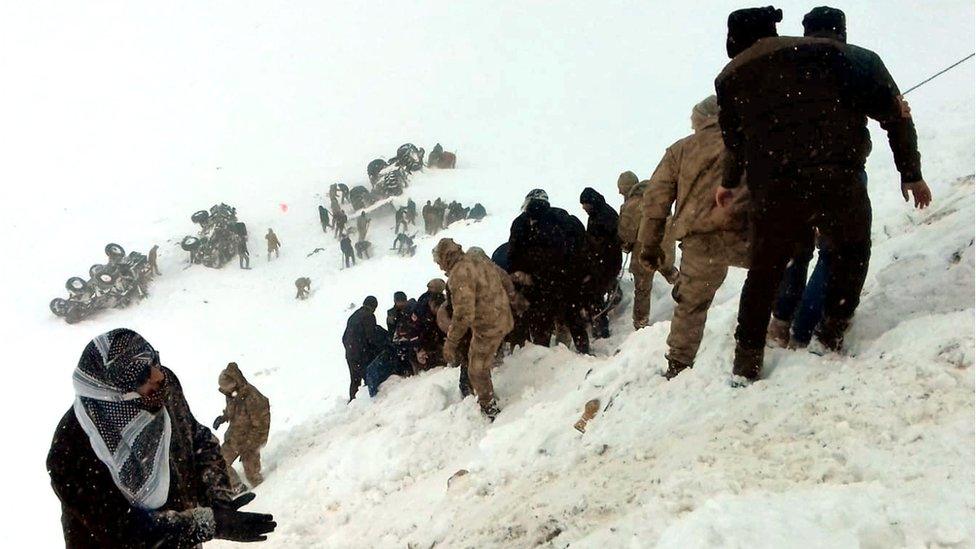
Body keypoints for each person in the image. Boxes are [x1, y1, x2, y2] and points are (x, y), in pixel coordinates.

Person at [714, 6, 930, 383]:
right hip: (837, 174)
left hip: (775, 185)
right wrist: (910, 172)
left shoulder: (731, 77)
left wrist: (730, 183)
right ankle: (828, 333)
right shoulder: (836, 55)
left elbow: (735, 142)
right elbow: (894, 114)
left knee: (765, 269)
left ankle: (747, 360)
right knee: (850, 250)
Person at [48, 329, 276, 546]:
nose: (157, 375)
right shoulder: (70, 451)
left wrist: (217, 497)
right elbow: (124, 533)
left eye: (153, 361)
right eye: (141, 374)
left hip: (181, 540)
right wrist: (209, 524)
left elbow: (197, 439)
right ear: (114, 394)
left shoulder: (161, 387)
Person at [639, 95, 751, 380]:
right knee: (770, 279)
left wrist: (649, 248)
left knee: (692, 305)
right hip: (745, 233)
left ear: (700, 119)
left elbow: (655, 203)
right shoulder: (748, 139)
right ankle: (764, 339)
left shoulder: (680, 151)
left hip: (701, 241)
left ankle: (678, 365)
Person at [433, 239, 515, 420]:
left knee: (476, 369)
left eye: (439, 263)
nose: (440, 268)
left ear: (446, 257)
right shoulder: (478, 259)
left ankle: (489, 408)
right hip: (502, 316)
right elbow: (505, 278)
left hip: (487, 326)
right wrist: (513, 300)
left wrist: (451, 342)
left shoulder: (459, 275)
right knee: (481, 363)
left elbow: (463, 315)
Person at [508, 189, 590, 354]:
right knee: (573, 319)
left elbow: (515, 254)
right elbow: (581, 247)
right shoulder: (564, 219)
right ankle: (584, 352)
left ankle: (542, 358)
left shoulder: (522, 223)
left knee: (541, 323)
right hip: (568, 280)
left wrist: (523, 277)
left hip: (540, 284)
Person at [617, 171, 675, 329]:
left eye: (621, 190)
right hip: (666, 248)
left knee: (642, 289)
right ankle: (691, 294)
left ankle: (640, 325)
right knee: (669, 271)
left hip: (645, 253)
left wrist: (626, 245)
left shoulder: (631, 205)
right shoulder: (658, 196)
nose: (620, 193)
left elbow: (626, 235)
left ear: (626, 188)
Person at [213, 363, 271, 492]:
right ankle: (237, 486)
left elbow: (262, 425)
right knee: (220, 462)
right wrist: (223, 417)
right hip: (234, 439)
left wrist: (250, 445)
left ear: (235, 382)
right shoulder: (231, 394)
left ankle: (265, 494)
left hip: (250, 442)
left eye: (227, 387)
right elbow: (233, 411)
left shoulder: (253, 398)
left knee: (252, 475)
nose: (226, 390)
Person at [579, 187, 623, 339]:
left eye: (585, 204)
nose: (583, 207)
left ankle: (601, 328)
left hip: (607, 260)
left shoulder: (604, 216)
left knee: (593, 292)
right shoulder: (596, 213)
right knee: (595, 289)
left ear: (591, 202)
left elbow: (605, 242)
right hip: (605, 260)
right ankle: (613, 293)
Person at [342, 296, 383, 401]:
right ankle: (370, 401)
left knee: (355, 379)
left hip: (350, 354)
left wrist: (350, 350)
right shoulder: (369, 316)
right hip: (362, 353)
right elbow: (371, 337)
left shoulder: (354, 316)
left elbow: (344, 337)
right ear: (374, 306)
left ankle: (352, 402)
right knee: (368, 377)